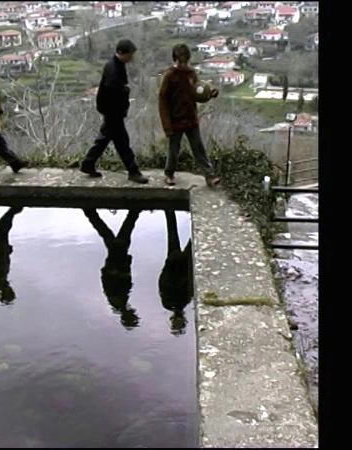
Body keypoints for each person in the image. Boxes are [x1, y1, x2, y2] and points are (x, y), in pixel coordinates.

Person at [79, 39, 148, 184]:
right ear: (122, 53)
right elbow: (113, 91)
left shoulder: (116, 65)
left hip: (112, 111)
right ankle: (133, 171)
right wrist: (125, 92)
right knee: (122, 142)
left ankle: (88, 163)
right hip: (112, 111)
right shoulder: (113, 69)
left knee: (105, 139)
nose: (132, 57)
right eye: (130, 54)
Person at [158, 43, 220, 187]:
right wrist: (167, 126)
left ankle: (210, 176)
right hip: (175, 120)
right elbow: (162, 102)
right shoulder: (169, 76)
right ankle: (169, 174)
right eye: (180, 60)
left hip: (191, 119)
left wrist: (210, 94)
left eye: (185, 59)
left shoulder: (191, 74)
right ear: (175, 59)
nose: (183, 63)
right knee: (174, 150)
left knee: (199, 148)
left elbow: (198, 93)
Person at [83, 208, 142, 329]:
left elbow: (113, 282)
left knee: (122, 232)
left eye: (134, 316)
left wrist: (119, 270)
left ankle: (135, 210)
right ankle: (90, 212)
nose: (135, 312)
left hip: (117, 260)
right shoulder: (121, 303)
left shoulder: (118, 301)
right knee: (110, 234)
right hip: (117, 261)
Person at [158, 210, 193, 336]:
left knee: (174, 234)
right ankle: (169, 210)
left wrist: (168, 264)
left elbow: (163, 282)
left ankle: (169, 210)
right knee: (176, 234)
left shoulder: (172, 302)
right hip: (179, 263)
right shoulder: (184, 301)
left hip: (175, 263)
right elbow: (162, 282)